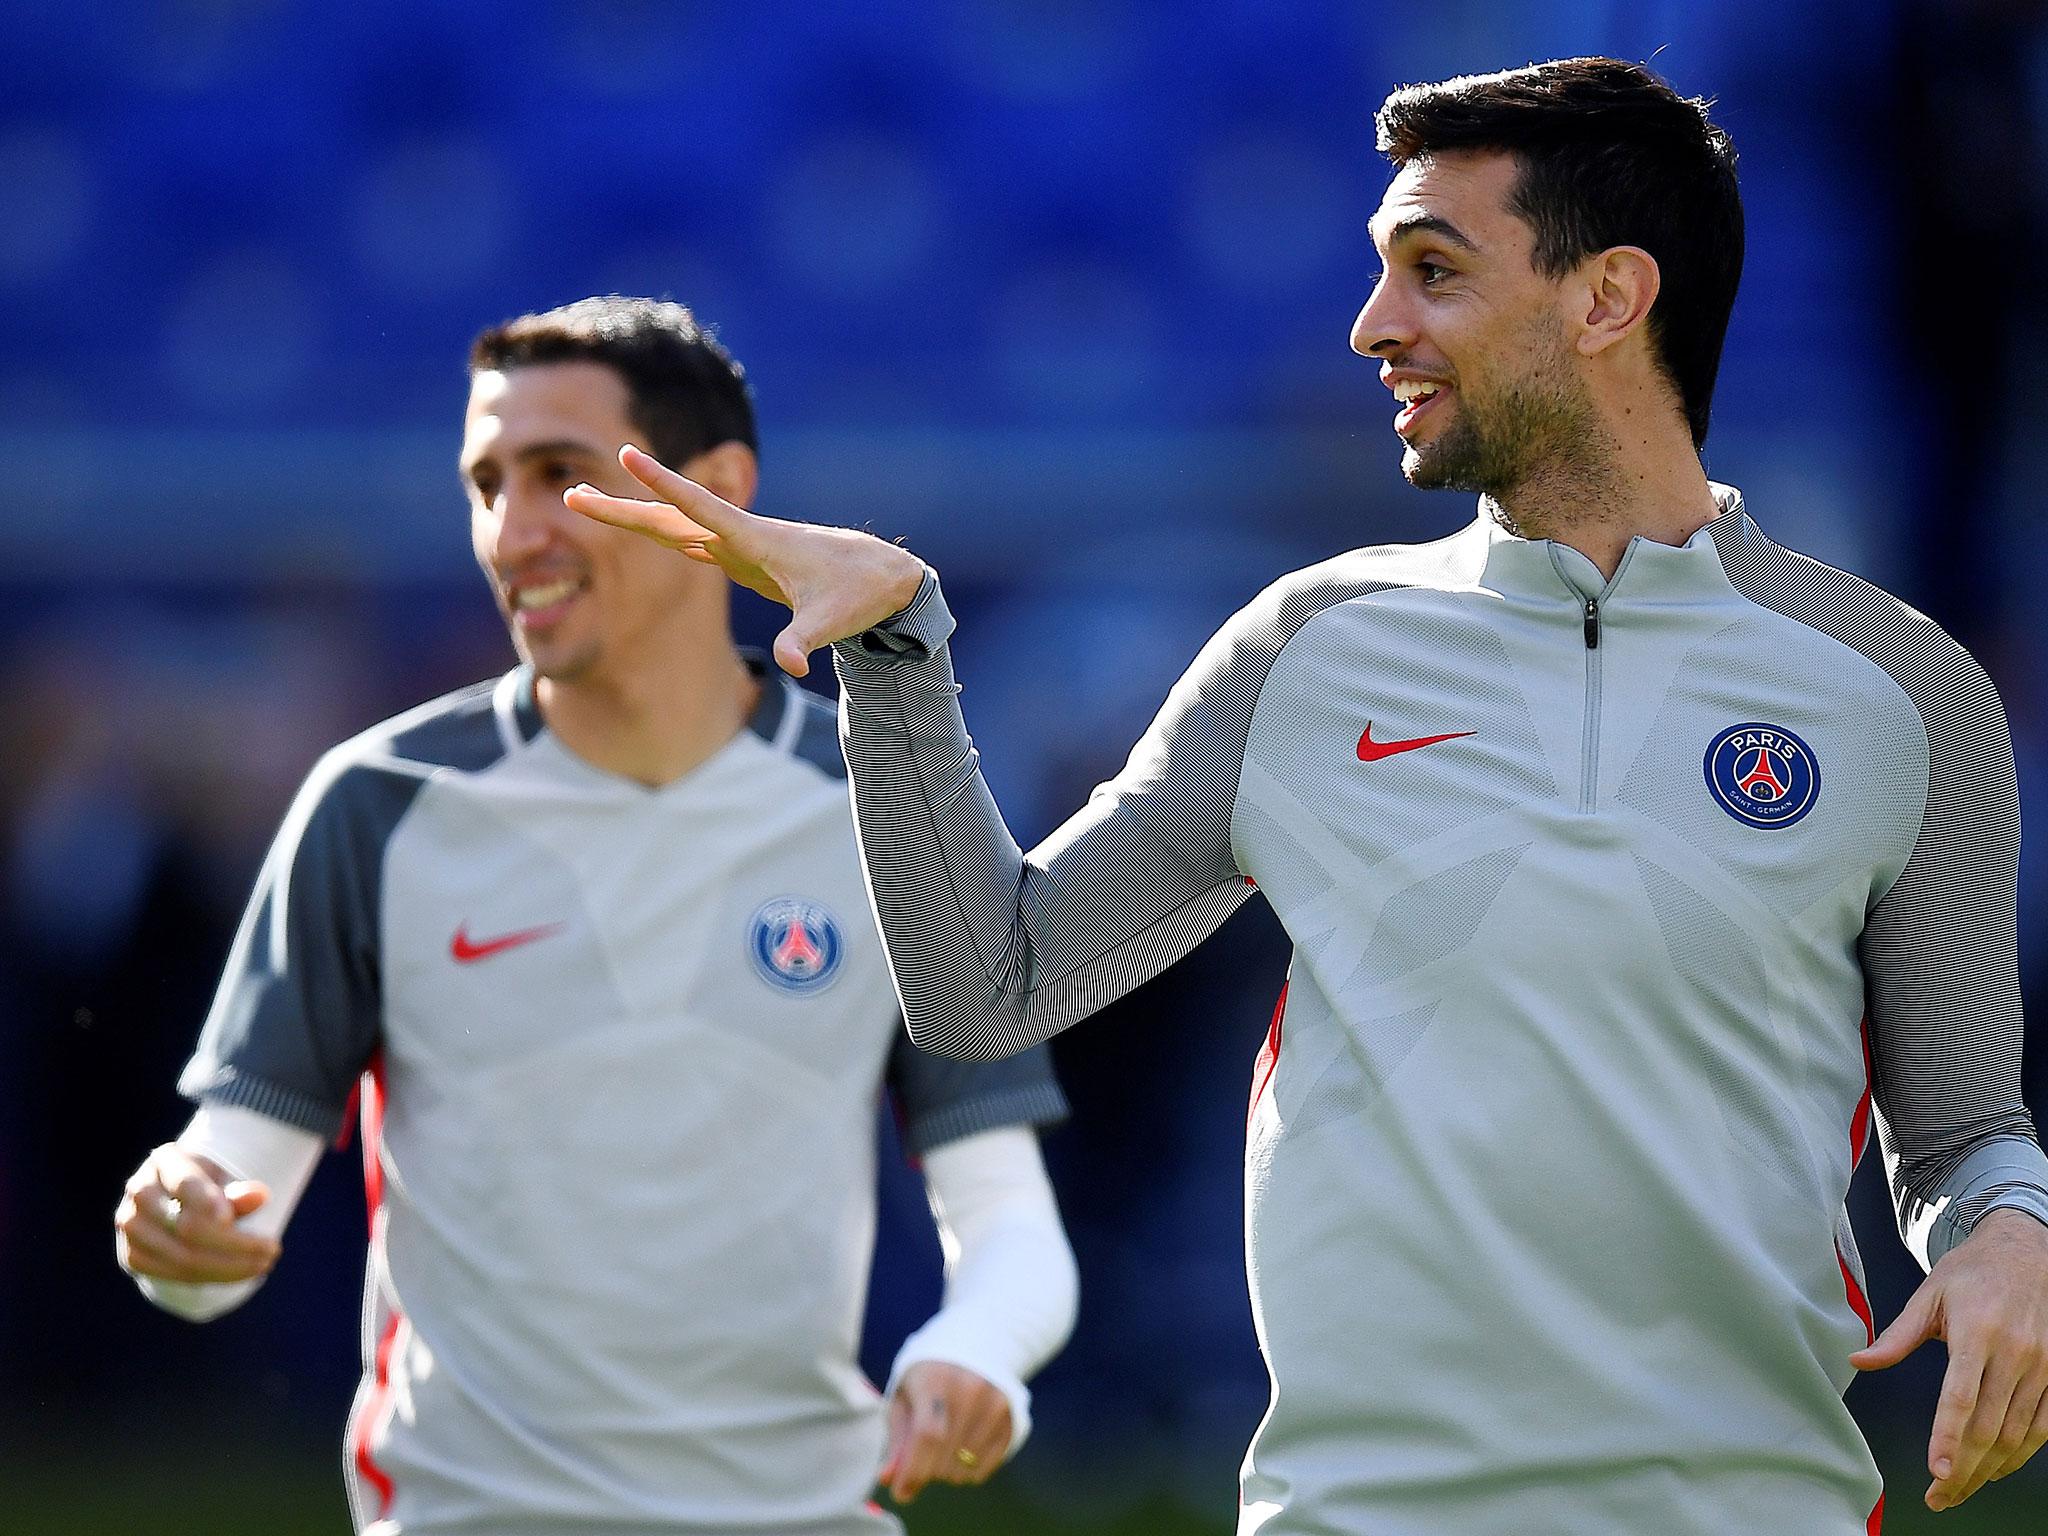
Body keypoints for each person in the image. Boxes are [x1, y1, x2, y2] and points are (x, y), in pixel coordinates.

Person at [567, 58, 2048, 1536]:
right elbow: (991, 989)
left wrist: (2006, 1239)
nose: (1372, 327)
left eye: (1433, 272)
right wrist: (897, 664)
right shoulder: (1305, 649)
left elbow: (1966, 1131)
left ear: (1607, 302)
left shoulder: (1904, 693)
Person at [113, 296, 1078, 1535]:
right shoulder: (377, 806)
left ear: (716, 490)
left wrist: (977, 1351)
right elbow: (224, 1194)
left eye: (559, 476)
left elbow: (1008, 1219)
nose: (510, 534)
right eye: (483, 484)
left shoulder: (886, 805)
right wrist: (176, 1228)